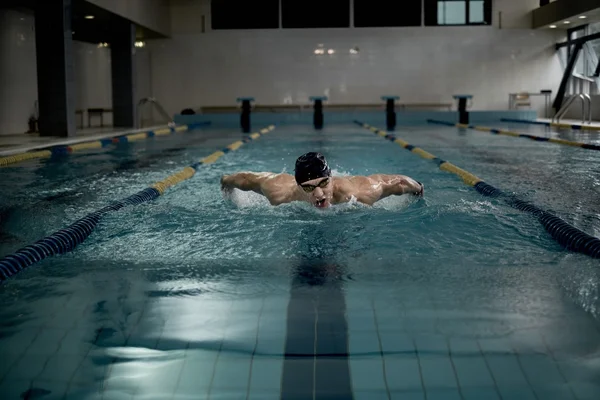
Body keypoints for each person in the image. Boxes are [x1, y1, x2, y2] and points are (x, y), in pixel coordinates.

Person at [220, 152, 424, 208]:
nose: (319, 195)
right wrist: (226, 185)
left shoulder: (357, 192)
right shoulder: (279, 192)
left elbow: (398, 182)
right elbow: (244, 179)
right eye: (308, 188)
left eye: (323, 184)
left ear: (331, 178)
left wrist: (419, 190)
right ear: (298, 185)